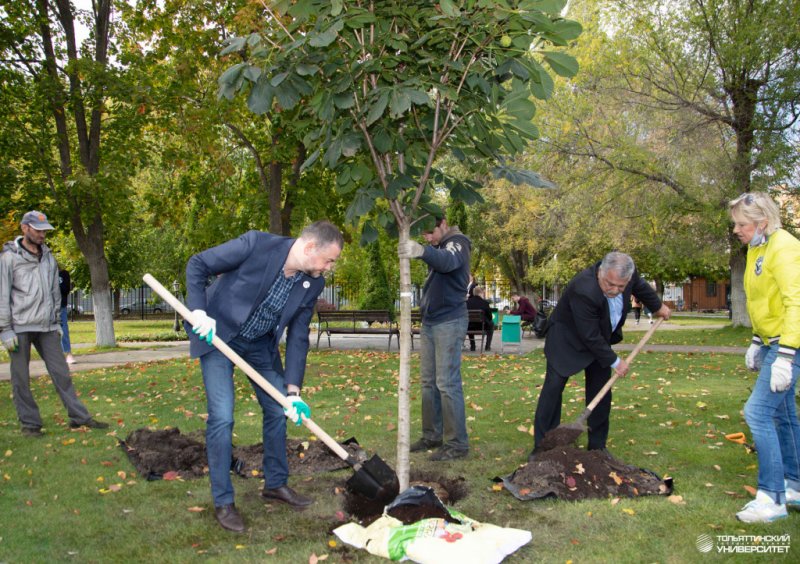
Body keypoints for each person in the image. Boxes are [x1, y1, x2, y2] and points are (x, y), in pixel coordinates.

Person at [185, 220, 343, 533]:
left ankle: (275, 484)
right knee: (222, 416)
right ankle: (223, 501)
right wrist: (199, 313)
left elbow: (299, 335)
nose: (328, 268)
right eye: (329, 260)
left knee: (277, 408)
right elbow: (198, 264)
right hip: (219, 336)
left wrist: (294, 392)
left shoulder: (313, 282)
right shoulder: (256, 244)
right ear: (310, 247)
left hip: (259, 345)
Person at [530, 251, 669, 460]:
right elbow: (589, 334)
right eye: (609, 284)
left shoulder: (627, 276)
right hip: (567, 341)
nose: (614, 290)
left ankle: (597, 447)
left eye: (621, 287)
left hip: (600, 341)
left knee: (601, 394)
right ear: (601, 272)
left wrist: (658, 307)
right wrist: (615, 361)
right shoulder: (583, 288)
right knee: (553, 390)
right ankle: (543, 447)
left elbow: (639, 287)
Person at [0, 211, 108, 437]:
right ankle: (30, 424)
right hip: (19, 327)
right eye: (38, 230)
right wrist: (5, 329)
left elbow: (54, 293)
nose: (42, 234)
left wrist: (58, 322)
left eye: (44, 231)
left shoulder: (49, 257)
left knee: (62, 374)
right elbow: (2, 294)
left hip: (47, 327)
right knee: (21, 379)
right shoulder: (9, 258)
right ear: (24, 228)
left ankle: (79, 418)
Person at [728, 192, 800, 523]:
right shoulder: (759, 248)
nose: (736, 230)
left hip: (789, 344)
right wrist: (757, 341)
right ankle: (794, 485)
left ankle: (772, 498)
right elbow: (762, 302)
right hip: (772, 342)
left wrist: (785, 356)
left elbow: (795, 302)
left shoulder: (784, 247)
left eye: (741, 224)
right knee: (783, 415)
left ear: (763, 222)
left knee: (757, 413)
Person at [399, 216, 471, 461]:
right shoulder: (439, 246)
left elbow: (448, 262)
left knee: (447, 383)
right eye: (423, 236)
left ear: (444, 222)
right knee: (429, 383)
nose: (428, 238)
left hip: (450, 321)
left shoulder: (458, 242)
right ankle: (431, 435)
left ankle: (457, 444)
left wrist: (421, 251)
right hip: (431, 322)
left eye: (430, 232)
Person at [466, 285, 494, 352]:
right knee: (491, 323)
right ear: (481, 293)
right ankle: (487, 346)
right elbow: (490, 317)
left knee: (469, 323)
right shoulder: (485, 303)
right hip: (482, 326)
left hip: (469, 326)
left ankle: (472, 346)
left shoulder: (467, 303)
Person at [58, 267, 75, 364]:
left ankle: (67, 353)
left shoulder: (63, 274)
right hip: (45, 306)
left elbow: (66, 289)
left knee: (63, 329)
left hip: (60, 306)